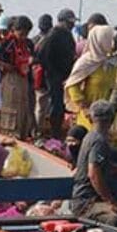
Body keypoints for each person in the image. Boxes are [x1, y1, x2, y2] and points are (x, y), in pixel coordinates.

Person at [69, 101, 117, 225]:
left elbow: (111, 167)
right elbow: (94, 174)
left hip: (95, 199)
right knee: (113, 219)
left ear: (91, 118)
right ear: (112, 119)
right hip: (86, 203)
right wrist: (111, 201)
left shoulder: (94, 138)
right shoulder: (98, 141)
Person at [0, 15, 34, 139]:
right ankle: (11, 135)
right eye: (21, 33)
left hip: (23, 78)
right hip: (11, 79)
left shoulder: (26, 44)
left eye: (26, 33)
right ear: (14, 30)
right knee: (12, 110)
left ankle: (23, 134)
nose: (24, 36)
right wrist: (5, 66)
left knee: (23, 109)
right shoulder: (7, 42)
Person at [65, 25, 117, 131]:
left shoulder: (114, 61)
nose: (112, 44)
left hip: (113, 113)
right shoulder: (86, 62)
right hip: (91, 115)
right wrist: (84, 107)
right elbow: (72, 86)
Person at [38, 8, 77, 139]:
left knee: (62, 105)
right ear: (62, 21)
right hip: (54, 75)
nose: (72, 25)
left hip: (64, 75)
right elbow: (42, 53)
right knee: (56, 105)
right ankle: (54, 133)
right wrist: (52, 71)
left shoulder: (67, 35)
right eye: (69, 22)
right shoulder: (53, 34)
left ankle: (58, 130)